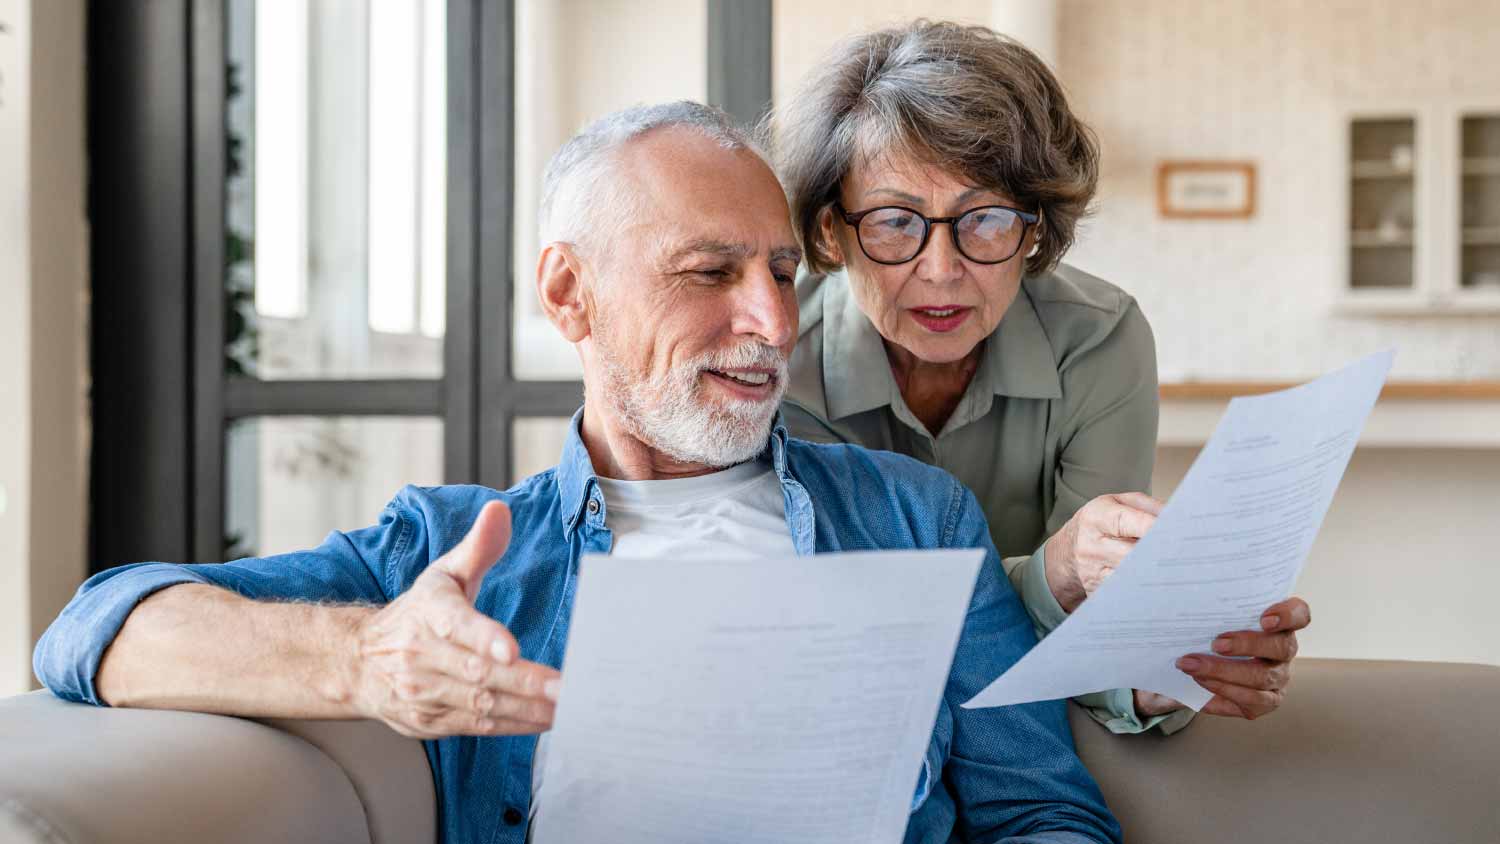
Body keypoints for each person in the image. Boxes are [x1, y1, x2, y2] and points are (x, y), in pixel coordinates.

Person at [35, 102, 1120, 844]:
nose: (772, 320)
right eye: (712, 272)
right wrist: (367, 658)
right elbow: (94, 629)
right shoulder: (455, 553)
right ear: (570, 296)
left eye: (783, 272)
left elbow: (1043, 812)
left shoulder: (917, 517)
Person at [771, 20, 1307, 733]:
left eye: (987, 220)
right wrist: (1053, 575)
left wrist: (1154, 676)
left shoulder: (1099, 339)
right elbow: (847, 632)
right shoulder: (776, 358)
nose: (941, 270)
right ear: (833, 232)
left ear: (1035, 231)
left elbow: (1104, 627)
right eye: (896, 222)